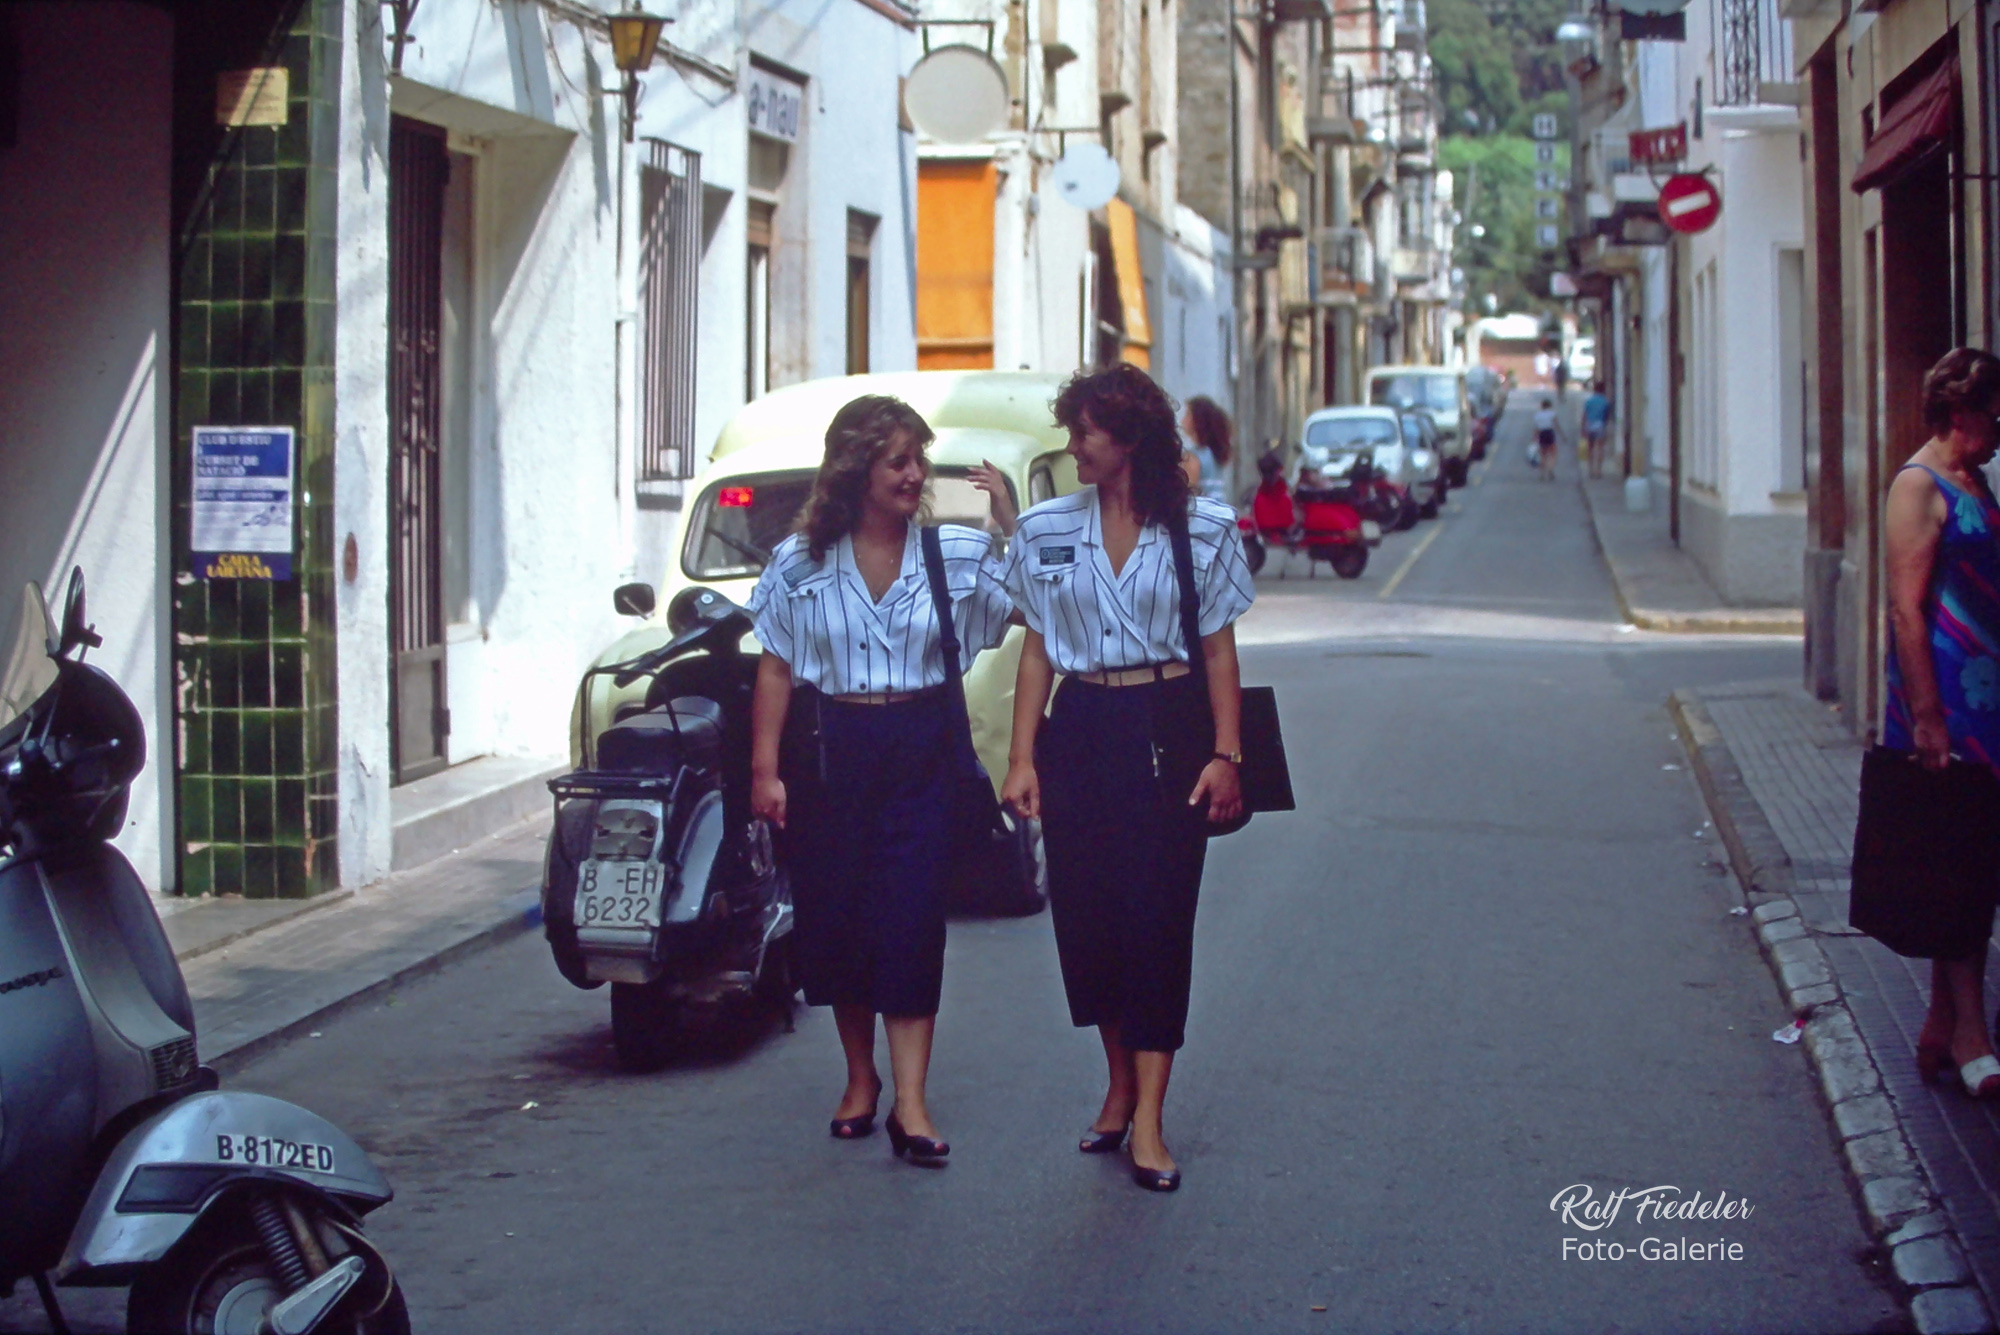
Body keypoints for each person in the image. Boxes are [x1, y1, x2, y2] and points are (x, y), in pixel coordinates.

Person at [998, 364, 1256, 1194]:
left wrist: (1227, 753)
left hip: (1169, 726)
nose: (1072, 446)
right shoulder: (1045, 530)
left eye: (1084, 434)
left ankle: (1148, 1117)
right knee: (1092, 922)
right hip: (1080, 729)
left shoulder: (1201, 529)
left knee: (1155, 922)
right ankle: (1116, 1083)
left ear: (1130, 440)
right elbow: (1037, 645)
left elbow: (1218, 648)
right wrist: (1022, 755)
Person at [745, 395, 1018, 1163]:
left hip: (920, 747)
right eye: (898, 459)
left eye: (918, 460)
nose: (915, 474)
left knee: (909, 918)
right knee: (839, 917)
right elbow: (775, 665)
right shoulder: (800, 561)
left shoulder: (950, 554)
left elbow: (1032, 608)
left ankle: (913, 1102)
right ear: (856, 467)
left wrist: (1007, 526)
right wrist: (766, 771)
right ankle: (860, 1079)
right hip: (833, 745)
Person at [1882, 347, 2000, 1099]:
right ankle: (1971, 1032)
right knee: (1963, 867)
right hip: (1948, 703)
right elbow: (1906, 609)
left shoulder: (1974, 480)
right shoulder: (1917, 487)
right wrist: (1927, 717)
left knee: (1965, 864)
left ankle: (1937, 1023)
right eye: (1994, 414)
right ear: (1960, 414)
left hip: (1985, 697)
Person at [1181, 395, 1235, 502]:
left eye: (1187, 415)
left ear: (1197, 420)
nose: (1182, 420)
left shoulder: (1192, 458)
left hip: (1203, 515)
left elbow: (1188, 496)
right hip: (1219, 512)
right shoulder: (1213, 452)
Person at [1582, 383, 1612, 478]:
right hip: (1600, 425)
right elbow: (1607, 416)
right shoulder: (1605, 401)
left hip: (1590, 425)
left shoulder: (1589, 401)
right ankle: (1598, 470)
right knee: (1600, 448)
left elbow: (1584, 415)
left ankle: (1590, 470)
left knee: (1590, 448)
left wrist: (1582, 428)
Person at [1532, 397, 1561, 481]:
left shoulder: (1537, 415)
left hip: (1542, 434)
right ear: (1550, 406)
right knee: (1553, 453)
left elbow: (1536, 428)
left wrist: (1534, 437)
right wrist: (1562, 436)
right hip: (1550, 433)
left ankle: (1542, 474)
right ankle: (1550, 468)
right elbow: (1556, 425)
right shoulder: (1552, 414)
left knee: (1543, 455)